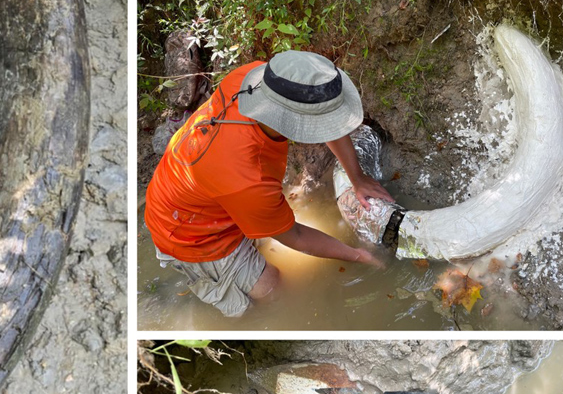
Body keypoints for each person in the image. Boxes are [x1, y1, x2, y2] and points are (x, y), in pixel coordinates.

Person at [145, 50, 393, 319]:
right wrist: (358, 255)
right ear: (297, 122)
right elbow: (294, 236)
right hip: (188, 232)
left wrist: (357, 178)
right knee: (273, 291)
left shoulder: (259, 80)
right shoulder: (247, 177)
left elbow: (322, 120)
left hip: (196, 189)